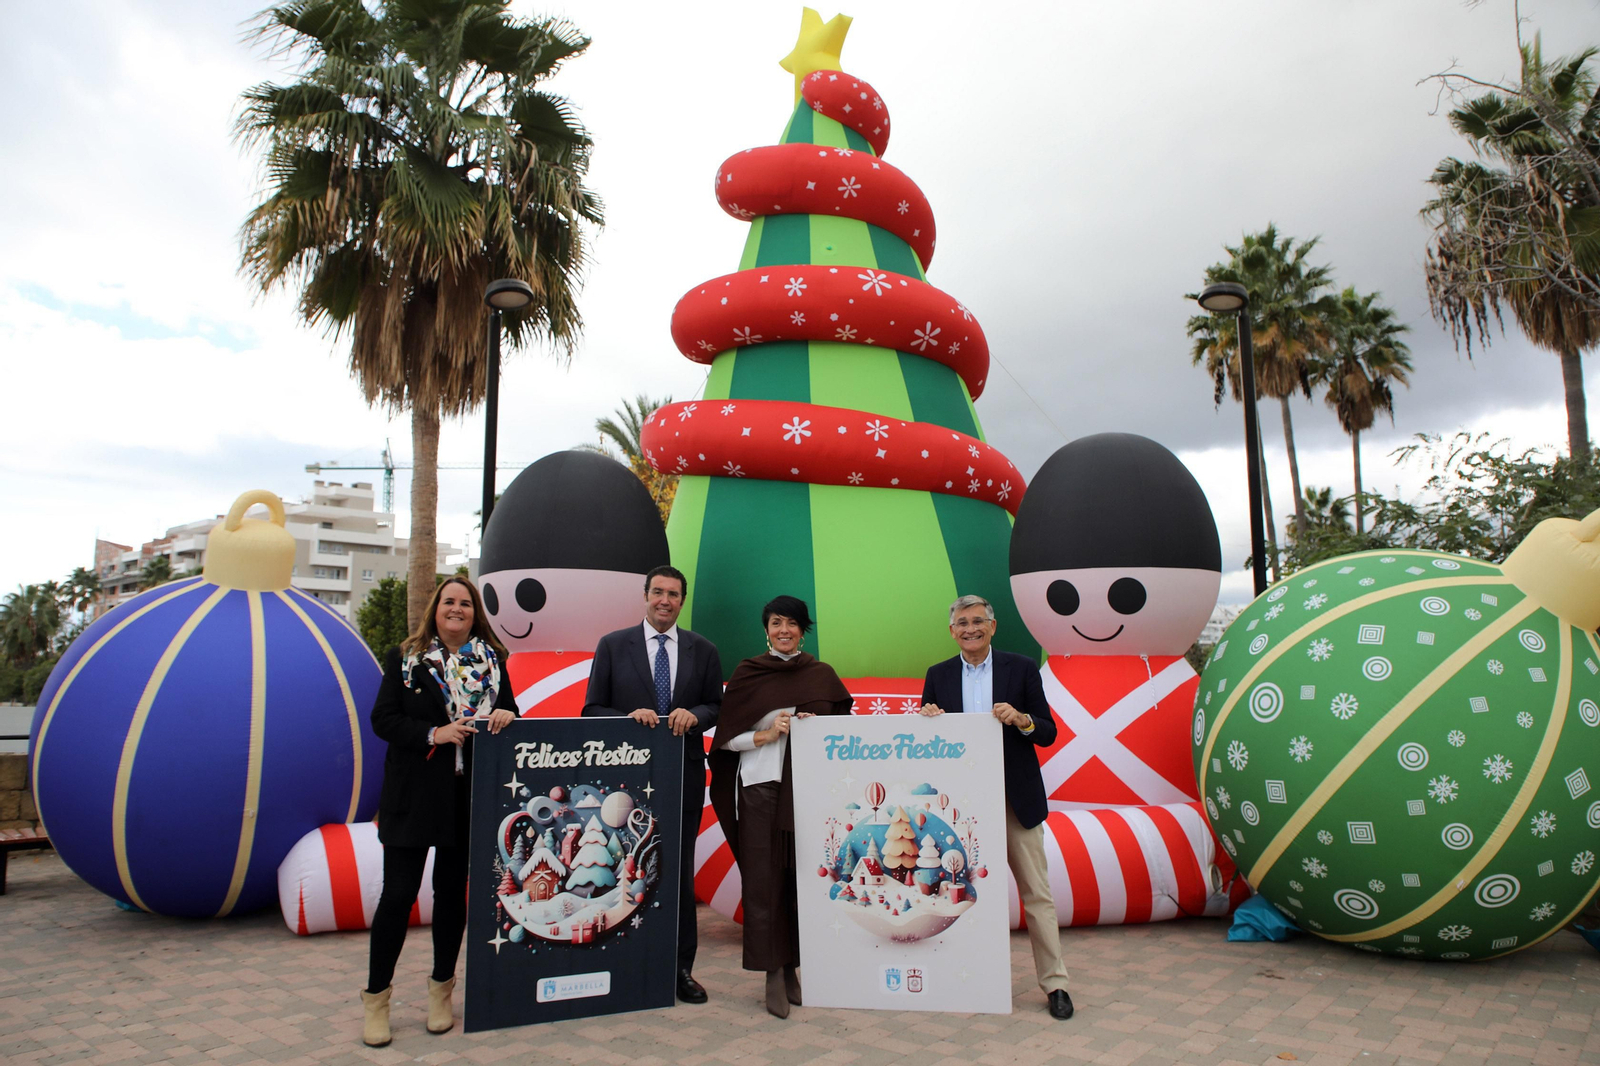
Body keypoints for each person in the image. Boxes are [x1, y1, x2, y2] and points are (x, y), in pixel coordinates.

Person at [362, 577, 518, 1047]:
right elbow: (383, 719)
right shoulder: (405, 660)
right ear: (435, 609)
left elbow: (509, 710)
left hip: (466, 797)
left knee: (452, 897)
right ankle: (376, 999)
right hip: (413, 797)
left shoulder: (494, 661)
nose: (457, 609)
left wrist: (509, 715)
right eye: (449, 601)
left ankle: (440, 992)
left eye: (465, 603)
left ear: (475, 613)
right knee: (398, 897)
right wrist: (435, 734)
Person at [919, 594, 1074, 1021]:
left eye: (977, 621)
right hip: (961, 809)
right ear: (952, 632)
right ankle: (966, 981)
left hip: (1013, 801)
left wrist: (1022, 719)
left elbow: (1047, 732)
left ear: (992, 625)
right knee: (958, 895)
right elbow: (928, 747)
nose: (970, 629)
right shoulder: (938, 675)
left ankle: (1055, 984)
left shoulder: (1021, 668)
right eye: (961, 623)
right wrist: (927, 716)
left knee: (1037, 896)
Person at [582, 564, 722, 1003]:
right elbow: (590, 710)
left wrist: (695, 716)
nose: (665, 600)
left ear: (683, 601)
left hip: (681, 774)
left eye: (673, 594)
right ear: (645, 596)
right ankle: (622, 962)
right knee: (625, 867)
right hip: (626, 784)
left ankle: (680, 969)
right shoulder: (612, 645)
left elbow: (715, 706)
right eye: (657, 592)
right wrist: (626, 720)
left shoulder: (703, 649)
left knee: (677, 872)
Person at [708, 595, 852, 1019]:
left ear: (803, 630)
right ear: (766, 629)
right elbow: (724, 739)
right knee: (763, 882)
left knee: (801, 881)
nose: (783, 630)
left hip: (809, 792)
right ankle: (771, 970)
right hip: (761, 788)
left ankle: (793, 966)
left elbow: (845, 734)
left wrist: (818, 727)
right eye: (775, 623)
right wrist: (765, 736)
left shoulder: (821, 676)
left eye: (791, 623)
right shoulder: (749, 673)